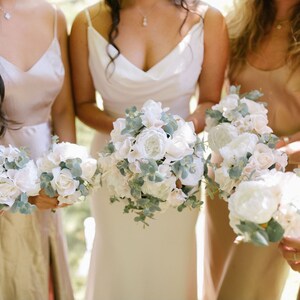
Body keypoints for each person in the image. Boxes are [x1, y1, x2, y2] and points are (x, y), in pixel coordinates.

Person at [70, 0, 228, 299]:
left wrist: (175, 134)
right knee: (119, 260)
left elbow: (209, 100)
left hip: (179, 168)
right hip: (113, 164)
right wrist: (129, 133)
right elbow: (83, 105)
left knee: (171, 261)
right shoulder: (86, 22)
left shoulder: (208, 19)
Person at [202, 0, 300, 299]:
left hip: (284, 186)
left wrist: (284, 152)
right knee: (217, 284)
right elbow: (210, 101)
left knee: (242, 291)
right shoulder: (234, 24)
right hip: (226, 178)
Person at [0, 0, 76, 299]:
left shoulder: (53, 16)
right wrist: (19, 189)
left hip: (44, 184)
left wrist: (69, 170)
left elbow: (63, 108)